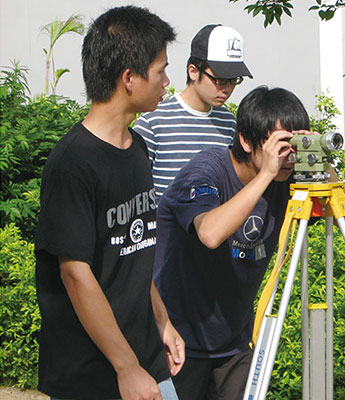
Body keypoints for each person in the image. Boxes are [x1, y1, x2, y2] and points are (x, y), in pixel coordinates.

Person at [34, 6, 185, 400]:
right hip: (93, 375)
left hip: (144, 359)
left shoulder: (138, 149)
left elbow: (136, 251)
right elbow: (75, 275)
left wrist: (162, 322)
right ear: (130, 78)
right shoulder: (71, 164)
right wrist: (126, 367)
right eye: (161, 70)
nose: (168, 81)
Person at [153, 86, 323, 399]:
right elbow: (210, 234)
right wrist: (266, 176)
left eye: (294, 144)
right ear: (245, 140)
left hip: (234, 343)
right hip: (177, 340)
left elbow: (344, 217)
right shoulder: (205, 172)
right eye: (279, 144)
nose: (288, 156)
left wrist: (318, 161)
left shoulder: (287, 179)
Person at [134, 24, 253, 202]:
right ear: (193, 71)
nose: (227, 89)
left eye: (234, 80)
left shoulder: (229, 123)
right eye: (220, 80)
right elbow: (135, 187)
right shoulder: (154, 120)